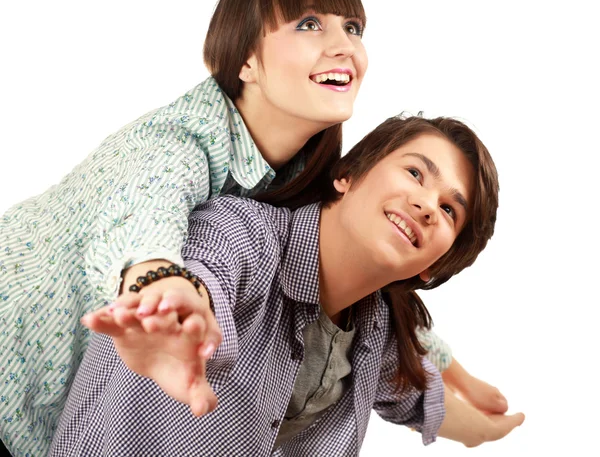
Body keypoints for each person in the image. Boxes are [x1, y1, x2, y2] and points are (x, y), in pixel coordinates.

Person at [0, 0, 505, 456]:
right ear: (245, 60)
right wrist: (164, 290)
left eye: (353, 28)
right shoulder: (174, 146)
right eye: (309, 23)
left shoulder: (301, 179)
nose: (344, 46)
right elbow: (143, 221)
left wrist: (457, 374)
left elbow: (370, 283)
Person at [54, 115, 524, 456]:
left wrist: (485, 431)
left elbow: (422, 402)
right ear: (348, 175)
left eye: (449, 210)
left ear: (434, 264)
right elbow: (202, 275)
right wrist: (175, 304)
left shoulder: (375, 333)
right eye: (416, 173)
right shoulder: (244, 233)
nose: (426, 204)